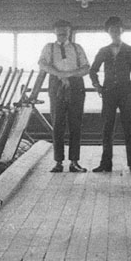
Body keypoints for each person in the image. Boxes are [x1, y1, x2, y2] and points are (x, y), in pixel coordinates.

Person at [88, 16, 131, 174]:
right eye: (111, 29)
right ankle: (105, 164)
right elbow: (93, 70)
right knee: (107, 129)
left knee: (129, 128)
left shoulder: (130, 50)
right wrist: (97, 86)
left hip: (126, 93)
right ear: (108, 32)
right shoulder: (103, 51)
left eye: (117, 28)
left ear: (122, 30)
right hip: (108, 94)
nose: (114, 31)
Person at [38, 19, 90, 173]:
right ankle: (58, 162)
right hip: (56, 84)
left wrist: (69, 75)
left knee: (75, 124)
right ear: (55, 32)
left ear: (69, 32)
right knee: (57, 123)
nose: (62, 34)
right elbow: (42, 63)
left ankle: (74, 162)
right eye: (59, 32)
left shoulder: (77, 47)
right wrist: (60, 75)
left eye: (65, 32)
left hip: (76, 85)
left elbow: (86, 67)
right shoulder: (49, 47)